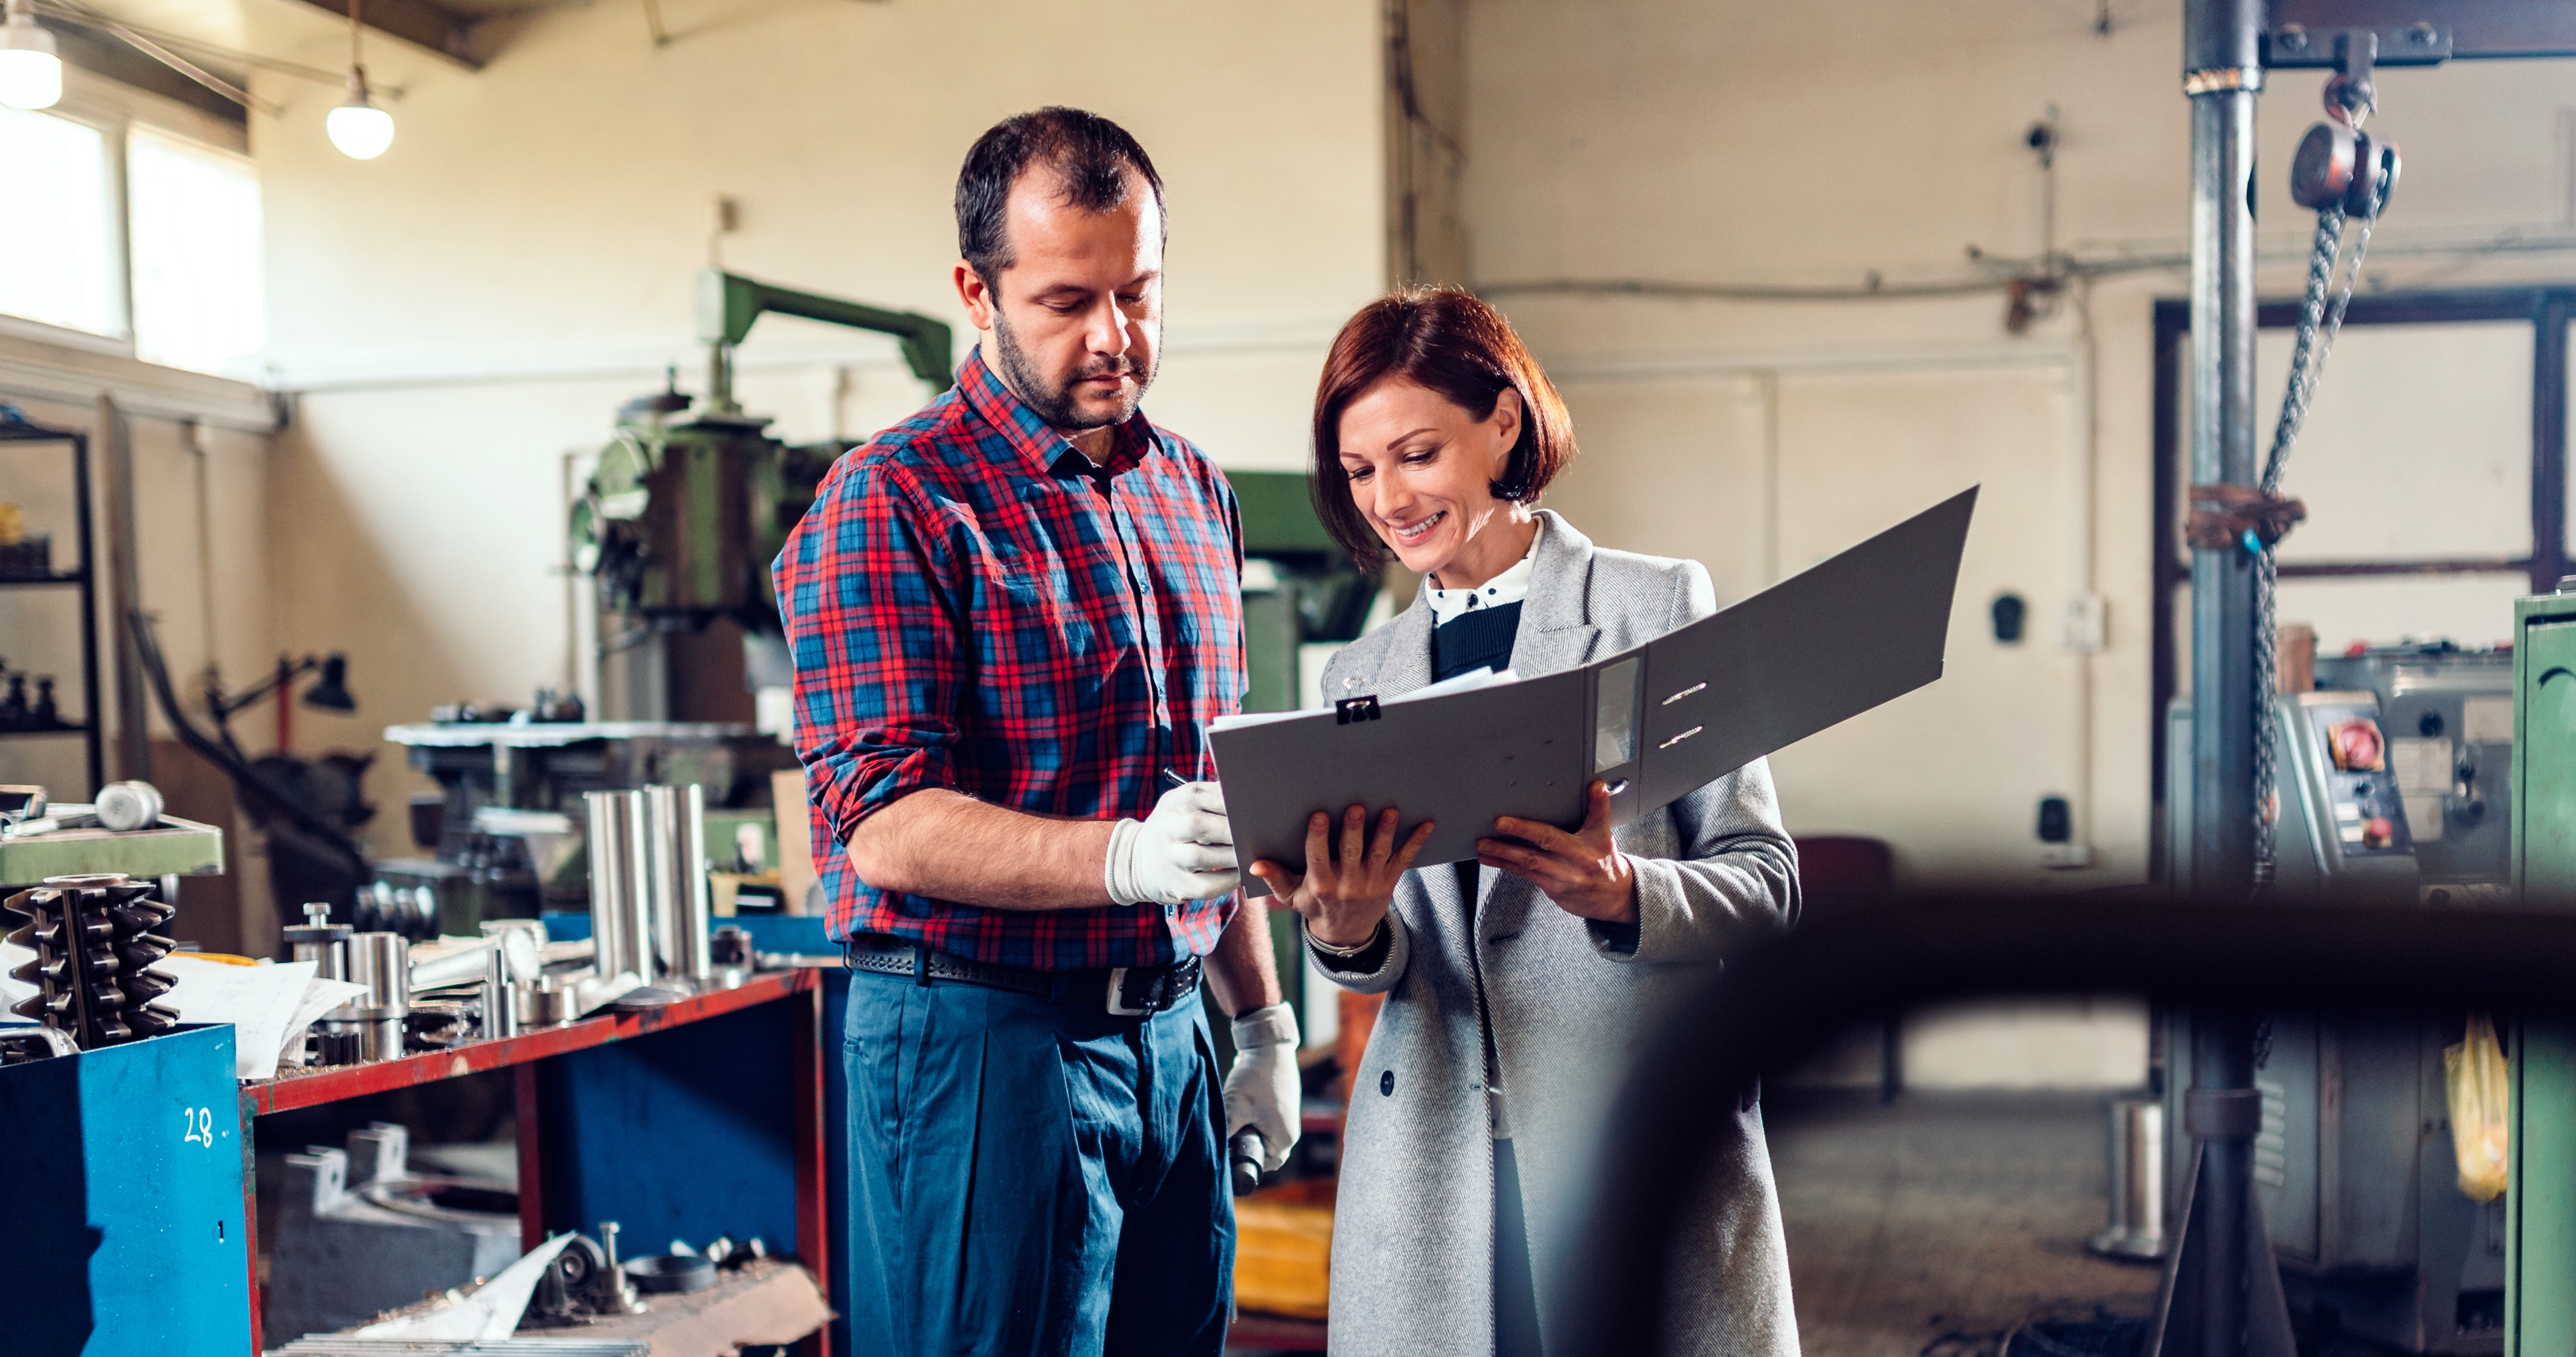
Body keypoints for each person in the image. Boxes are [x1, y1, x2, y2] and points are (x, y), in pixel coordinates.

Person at [773, 108, 1301, 1357]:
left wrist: (1262, 1022)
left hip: (1173, 1033)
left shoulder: (1190, 490)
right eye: (1068, 300)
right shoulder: (894, 498)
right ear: (976, 291)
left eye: (1138, 292)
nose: (1114, 337)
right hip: (980, 1042)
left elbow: (1209, 808)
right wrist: (1124, 859)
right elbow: (886, 826)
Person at [1248, 288, 1800, 1356]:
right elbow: (1384, 964)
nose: (1388, 499)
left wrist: (1627, 894)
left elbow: (1767, 881)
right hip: (1432, 1172)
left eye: (1415, 454)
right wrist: (1346, 931)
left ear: (1503, 422)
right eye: (1360, 471)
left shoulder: (1654, 608)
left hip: (1630, 1141)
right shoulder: (1361, 673)